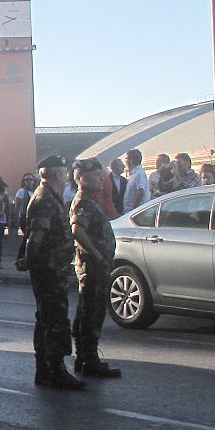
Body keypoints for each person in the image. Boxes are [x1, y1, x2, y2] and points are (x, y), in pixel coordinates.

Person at [23, 155, 88, 392]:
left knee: (46, 319)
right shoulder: (45, 199)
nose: (68, 175)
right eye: (64, 171)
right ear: (58, 174)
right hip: (49, 270)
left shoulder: (49, 197)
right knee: (55, 319)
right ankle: (57, 369)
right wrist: (30, 261)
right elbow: (36, 236)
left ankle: (45, 369)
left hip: (52, 267)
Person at [69, 158, 122, 380]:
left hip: (95, 265)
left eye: (102, 175)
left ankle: (84, 357)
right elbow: (77, 230)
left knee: (88, 311)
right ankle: (89, 359)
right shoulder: (83, 202)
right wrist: (98, 255)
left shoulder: (90, 200)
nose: (102, 179)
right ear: (82, 178)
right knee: (92, 312)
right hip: (92, 266)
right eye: (97, 176)